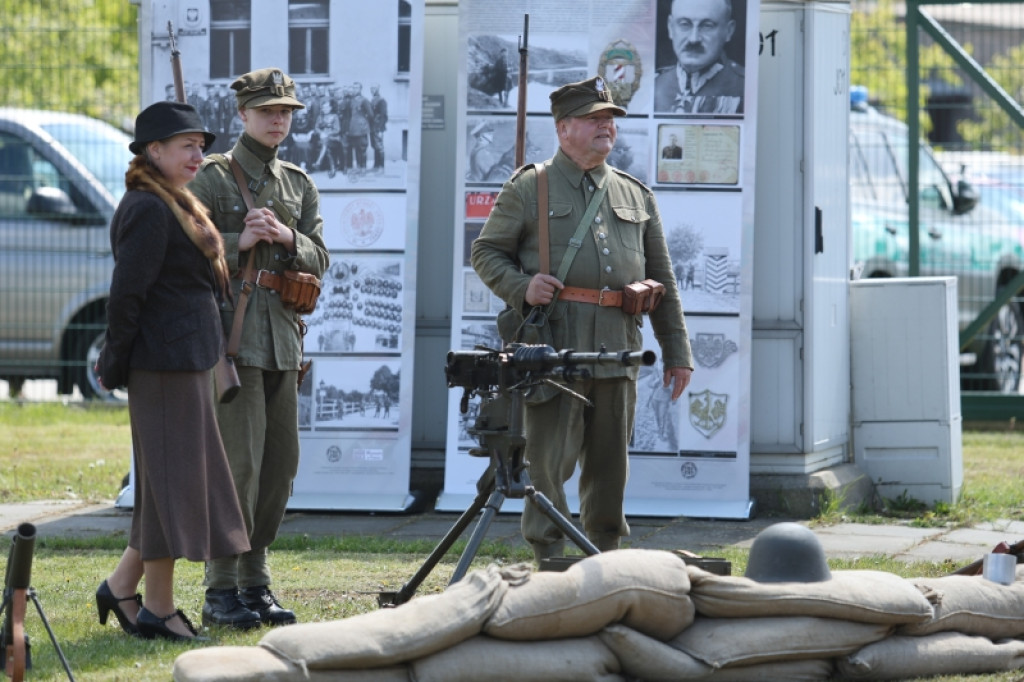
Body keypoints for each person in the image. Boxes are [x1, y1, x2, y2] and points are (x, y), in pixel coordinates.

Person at [471, 76, 694, 563]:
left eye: (610, 118)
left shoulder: (636, 194)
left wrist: (678, 352)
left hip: (618, 348)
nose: (605, 126)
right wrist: (521, 286)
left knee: (610, 468)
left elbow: (664, 279)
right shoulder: (531, 187)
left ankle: (604, 559)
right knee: (549, 466)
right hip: (555, 351)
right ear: (563, 127)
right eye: (594, 118)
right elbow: (486, 252)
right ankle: (550, 560)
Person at [95, 101, 250, 641]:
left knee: (169, 486)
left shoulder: (175, 201)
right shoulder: (147, 208)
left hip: (185, 362)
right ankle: (157, 608)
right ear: (153, 151)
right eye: (186, 145)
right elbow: (126, 297)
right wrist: (112, 365)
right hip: (160, 365)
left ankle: (123, 588)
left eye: (200, 145)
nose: (197, 153)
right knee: (171, 487)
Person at [189, 67, 330, 629]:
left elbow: (322, 256)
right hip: (233, 340)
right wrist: (233, 240)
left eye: (286, 111)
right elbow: (177, 246)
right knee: (237, 467)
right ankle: (220, 590)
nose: (279, 119)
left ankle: (256, 583)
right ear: (242, 115)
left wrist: (288, 239)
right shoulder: (213, 180)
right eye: (268, 110)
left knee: (278, 468)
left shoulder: (297, 183)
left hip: (284, 341)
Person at [654, 0, 744, 114]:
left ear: (728, 31)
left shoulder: (744, 86)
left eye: (707, 26)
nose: (694, 39)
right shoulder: (652, 84)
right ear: (670, 27)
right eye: (684, 24)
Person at [369, 84, 388, 173]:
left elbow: (384, 116)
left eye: (374, 88)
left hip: (378, 127)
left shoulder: (381, 101)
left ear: (378, 89)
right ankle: (376, 166)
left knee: (380, 147)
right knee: (375, 146)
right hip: (372, 127)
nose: (372, 90)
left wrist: (380, 129)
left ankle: (382, 167)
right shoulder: (373, 100)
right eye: (371, 88)